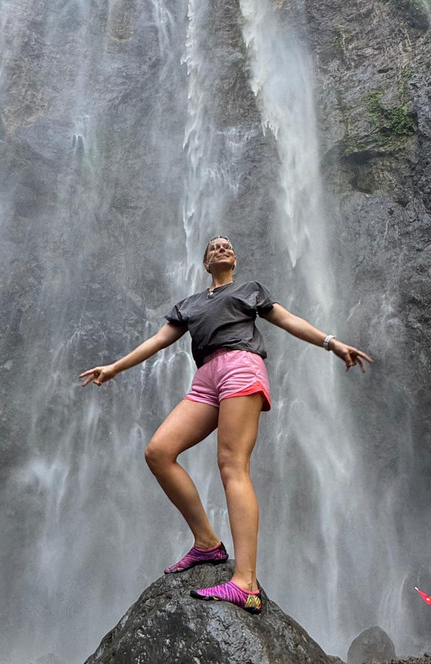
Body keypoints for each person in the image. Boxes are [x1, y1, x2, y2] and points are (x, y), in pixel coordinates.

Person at [79, 235, 372, 613]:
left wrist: (332, 342)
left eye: (227, 244)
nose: (221, 246)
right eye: (214, 246)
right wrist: (114, 368)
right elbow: (157, 342)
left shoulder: (250, 291)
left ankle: (245, 583)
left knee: (232, 464)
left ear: (234, 259)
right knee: (158, 452)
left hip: (241, 366)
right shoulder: (189, 305)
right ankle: (207, 544)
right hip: (204, 380)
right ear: (205, 263)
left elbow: (288, 321)